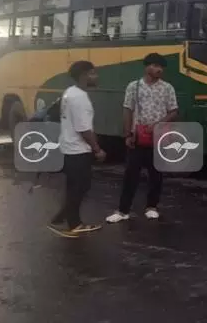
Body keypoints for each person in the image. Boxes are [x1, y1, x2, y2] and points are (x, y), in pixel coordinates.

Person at [106, 53, 178, 223]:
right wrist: (127, 133)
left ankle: (152, 206)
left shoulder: (167, 88)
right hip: (137, 136)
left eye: (161, 67)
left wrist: (158, 123)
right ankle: (123, 210)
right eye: (154, 65)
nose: (159, 69)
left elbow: (173, 111)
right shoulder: (134, 86)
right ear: (146, 67)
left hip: (158, 137)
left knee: (156, 173)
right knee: (131, 173)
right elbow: (127, 110)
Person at [48, 61, 105, 238]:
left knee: (74, 186)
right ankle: (74, 224)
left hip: (68, 147)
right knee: (81, 186)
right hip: (78, 149)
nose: (96, 77)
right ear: (84, 76)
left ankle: (61, 217)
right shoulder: (80, 97)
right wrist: (97, 150)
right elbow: (84, 129)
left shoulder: (69, 92)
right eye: (93, 73)